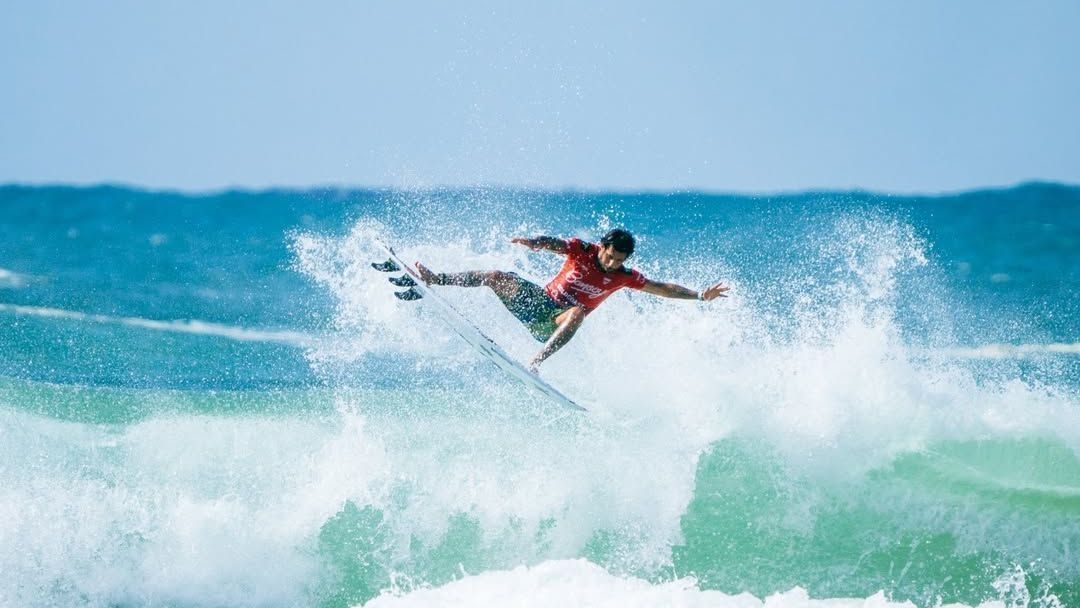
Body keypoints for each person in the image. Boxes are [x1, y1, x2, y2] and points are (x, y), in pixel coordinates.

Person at [413, 229, 729, 370]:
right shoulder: (583, 250)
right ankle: (435, 279)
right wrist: (535, 243)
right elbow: (556, 244)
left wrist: (701, 295)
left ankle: (536, 362)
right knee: (496, 275)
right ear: (602, 246)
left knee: (577, 312)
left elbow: (662, 288)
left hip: (551, 325)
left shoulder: (624, 277)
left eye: (619, 260)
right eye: (610, 255)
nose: (613, 263)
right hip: (536, 302)